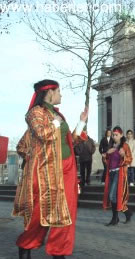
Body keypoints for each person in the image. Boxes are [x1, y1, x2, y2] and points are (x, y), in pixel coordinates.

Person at [13, 79, 88, 259]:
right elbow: (42, 133)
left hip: (68, 167)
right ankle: (26, 244)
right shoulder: (35, 113)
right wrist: (54, 123)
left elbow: (70, 140)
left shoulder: (58, 115)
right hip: (47, 170)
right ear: (50, 92)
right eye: (59, 91)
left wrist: (81, 122)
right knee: (41, 212)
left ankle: (58, 252)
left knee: (67, 212)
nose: (61, 95)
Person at [103, 126, 133, 226]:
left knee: (112, 195)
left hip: (119, 173)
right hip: (111, 172)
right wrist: (106, 154)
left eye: (116, 135)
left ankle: (116, 218)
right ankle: (125, 214)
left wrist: (123, 155)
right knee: (114, 196)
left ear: (121, 135)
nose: (114, 136)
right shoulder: (111, 145)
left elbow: (129, 159)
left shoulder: (125, 146)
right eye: (113, 135)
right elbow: (107, 161)